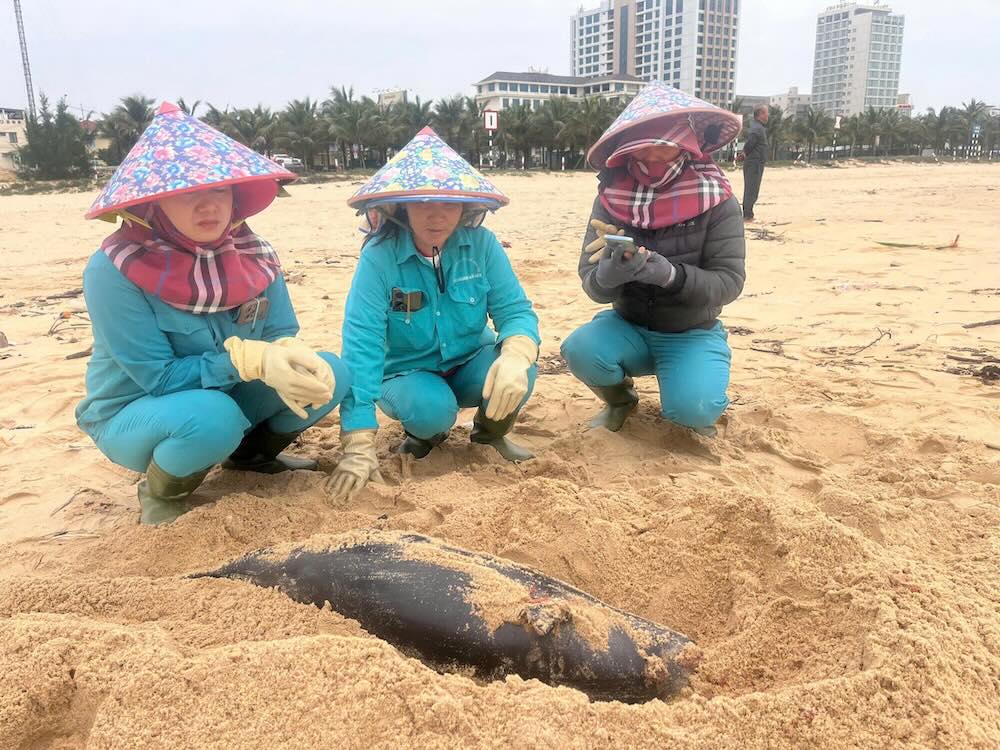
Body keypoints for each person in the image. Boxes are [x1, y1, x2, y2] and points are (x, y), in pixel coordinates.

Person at [76, 102, 351, 525]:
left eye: (219, 189)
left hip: (225, 395)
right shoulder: (114, 270)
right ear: (154, 203)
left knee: (330, 372)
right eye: (187, 193)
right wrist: (247, 360)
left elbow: (281, 329)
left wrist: (284, 350)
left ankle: (251, 459)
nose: (209, 206)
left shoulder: (252, 253)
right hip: (138, 411)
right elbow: (159, 378)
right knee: (213, 418)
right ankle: (164, 492)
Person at [327, 127, 540, 501]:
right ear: (402, 207)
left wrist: (517, 353)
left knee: (521, 366)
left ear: (466, 208)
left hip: (470, 358)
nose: (437, 217)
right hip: (406, 371)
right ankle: (425, 434)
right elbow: (362, 347)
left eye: (448, 204)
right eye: (423, 203)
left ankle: (489, 437)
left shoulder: (483, 245)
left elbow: (515, 311)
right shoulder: (378, 258)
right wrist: (357, 442)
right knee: (432, 410)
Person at [560, 83, 746, 437]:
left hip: (691, 331)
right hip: (629, 325)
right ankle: (620, 400)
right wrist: (608, 274)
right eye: (641, 151)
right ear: (627, 151)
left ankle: (693, 377)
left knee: (695, 410)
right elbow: (591, 283)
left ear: (684, 146)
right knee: (580, 349)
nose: (651, 161)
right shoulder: (612, 197)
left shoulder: (718, 200)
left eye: (662, 149)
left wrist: (671, 277)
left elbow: (729, 282)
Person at [738, 104, 769, 222]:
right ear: (760, 114)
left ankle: (748, 214)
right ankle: (747, 215)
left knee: (753, 189)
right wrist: (744, 153)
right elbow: (750, 143)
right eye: (766, 113)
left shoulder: (759, 127)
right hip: (754, 163)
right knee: (751, 189)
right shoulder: (757, 128)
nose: (768, 115)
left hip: (757, 163)